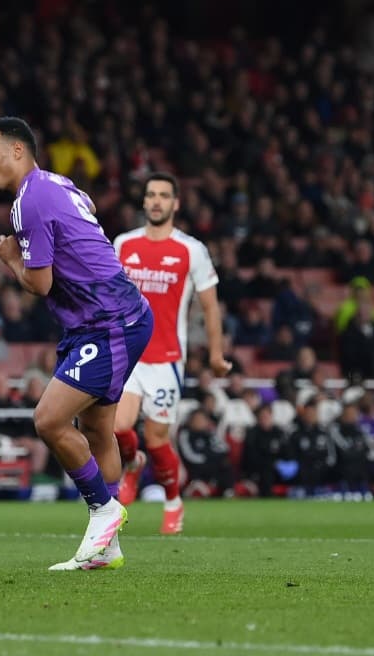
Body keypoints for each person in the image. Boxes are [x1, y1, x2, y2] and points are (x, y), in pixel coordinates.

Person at [0, 116, 153, 571]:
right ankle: (107, 548)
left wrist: (10, 260)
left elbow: (39, 284)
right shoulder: (57, 183)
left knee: (48, 420)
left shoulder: (28, 201)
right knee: (97, 430)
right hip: (106, 317)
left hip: (108, 321)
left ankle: (104, 510)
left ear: (18, 151)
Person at [111, 172, 232, 534]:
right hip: (130, 353)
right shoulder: (123, 244)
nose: (157, 201)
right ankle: (132, 465)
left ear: (176, 203)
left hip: (166, 359)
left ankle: (173, 500)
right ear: (144, 201)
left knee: (158, 438)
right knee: (118, 427)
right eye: (151, 195)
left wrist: (215, 354)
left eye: (164, 195)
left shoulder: (191, 250)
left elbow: (210, 306)